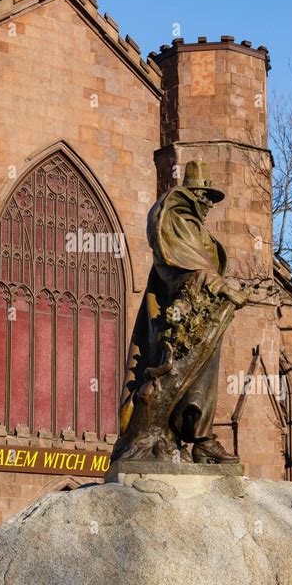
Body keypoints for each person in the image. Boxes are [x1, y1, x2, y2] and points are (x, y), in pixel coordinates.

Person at [120, 160, 248, 463]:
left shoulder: (192, 225)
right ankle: (190, 436)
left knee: (201, 376)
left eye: (212, 200)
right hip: (183, 317)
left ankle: (198, 438)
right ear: (192, 195)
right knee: (180, 376)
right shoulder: (176, 221)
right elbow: (188, 265)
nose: (208, 205)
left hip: (203, 315)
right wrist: (223, 287)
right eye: (205, 197)